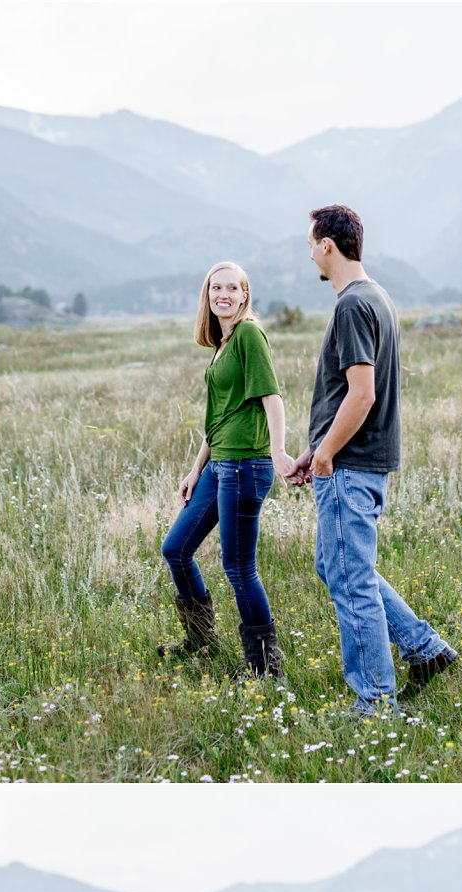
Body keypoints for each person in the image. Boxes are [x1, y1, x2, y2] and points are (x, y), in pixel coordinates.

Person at [286, 205, 457, 714]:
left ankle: (376, 700)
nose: (310, 252)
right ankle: (425, 649)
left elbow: (361, 394)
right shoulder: (377, 297)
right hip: (359, 460)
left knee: (350, 577)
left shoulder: (352, 305)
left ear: (327, 246)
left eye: (311, 243)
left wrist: (326, 457)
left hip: (350, 464)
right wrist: (312, 452)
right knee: (337, 564)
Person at [158, 261, 296, 678]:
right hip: (219, 465)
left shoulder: (249, 334)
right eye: (216, 288)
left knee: (239, 568)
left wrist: (278, 452)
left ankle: (265, 667)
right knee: (176, 550)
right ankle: (201, 640)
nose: (223, 294)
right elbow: (217, 416)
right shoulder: (223, 342)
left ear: (244, 295)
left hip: (245, 466)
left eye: (232, 288)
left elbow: (272, 397)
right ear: (208, 295)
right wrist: (195, 469)